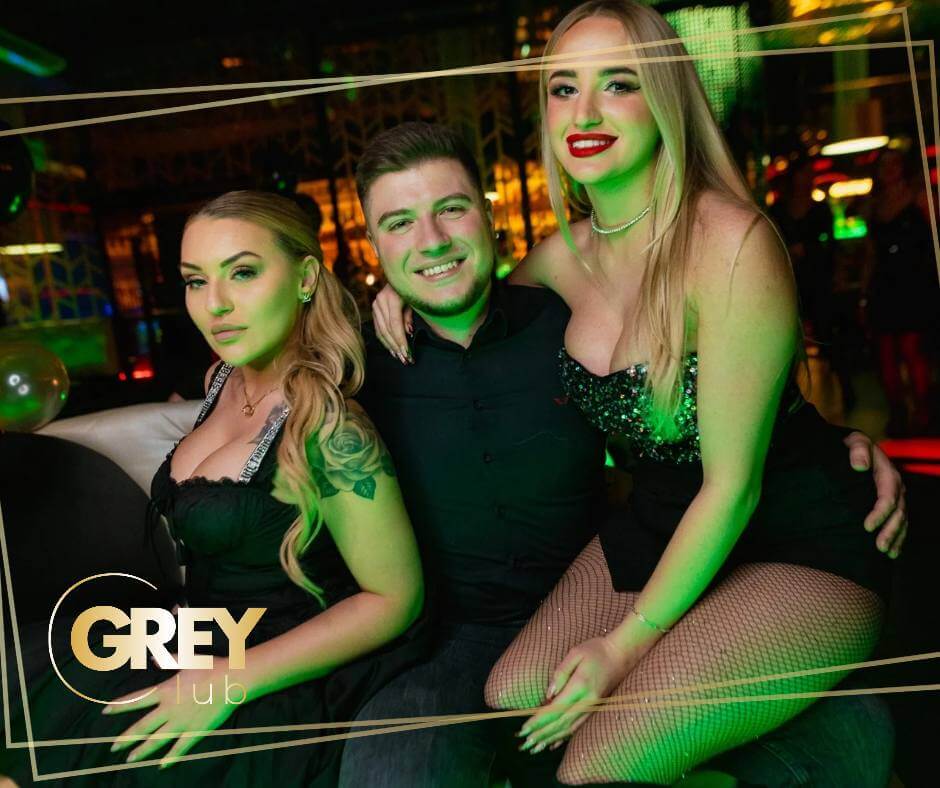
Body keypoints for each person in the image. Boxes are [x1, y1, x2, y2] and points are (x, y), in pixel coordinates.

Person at [353, 122, 905, 786]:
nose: (432, 240)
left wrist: (839, 441)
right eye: (399, 224)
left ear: (488, 215)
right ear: (374, 242)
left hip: (732, 542)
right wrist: (402, 287)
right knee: (500, 707)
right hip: (520, 608)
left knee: (615, 757)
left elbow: (731, 396)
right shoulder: (361, 368)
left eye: (451, 209)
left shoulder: (557, 317)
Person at [0, 190, 426, 786]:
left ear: (305, 277)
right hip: (202, 633)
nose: (215, 304)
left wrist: (227, 682)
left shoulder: (331, 429)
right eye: (196, 281)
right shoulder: (223, 377)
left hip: (276, 668)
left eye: (243, 273)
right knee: (29, 681)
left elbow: (395, 600)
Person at [862, 148, 938, 436]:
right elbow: (871, 254)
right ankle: (897, 411)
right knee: (886, 353)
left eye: (895, 163)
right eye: (884, 164)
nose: (889, 169)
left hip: (914, 282)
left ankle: (923, 411)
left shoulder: (920, 198)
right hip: (884, 284)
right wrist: (864, 293)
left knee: (912, 349)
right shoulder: (874, 206)